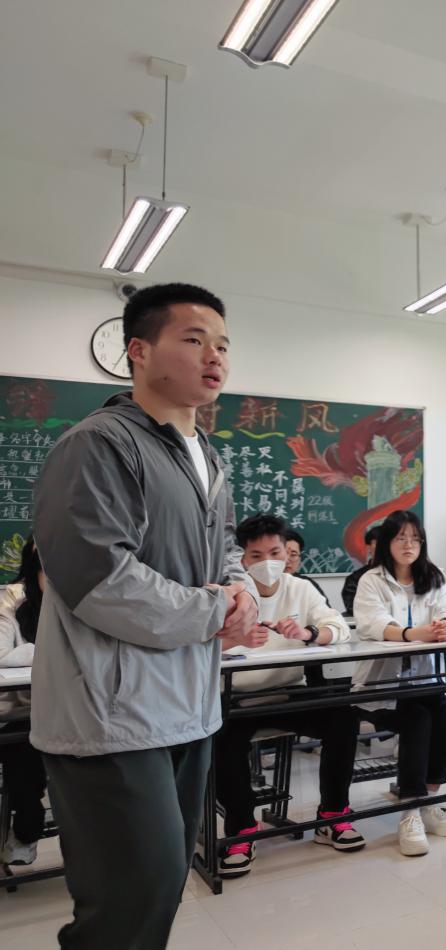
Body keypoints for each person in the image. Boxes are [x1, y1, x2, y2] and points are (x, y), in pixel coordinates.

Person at [31, 282, 258, 949]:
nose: (214, 357)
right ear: (138, 350)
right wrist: (215, 609)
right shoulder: (97, 445)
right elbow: (101, 581)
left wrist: (241, 590)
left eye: (222, 345)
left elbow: (225, 549)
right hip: (110, 713)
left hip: (189, 701)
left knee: (160, 887)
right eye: (193, 339)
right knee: (131, 896)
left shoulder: (206, 455)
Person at [214, 514, 361, 877]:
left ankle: (333, 814)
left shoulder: (300, 589)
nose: (267, 562)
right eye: (256, 555)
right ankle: (242, 829)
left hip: (287, 692)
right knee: (221, 739)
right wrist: (234, 640)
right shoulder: (227, 592)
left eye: (275, 553)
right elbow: (195, 647)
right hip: (236, 696)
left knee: (343, 718)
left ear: (287, 553)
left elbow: (339, 628)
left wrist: (308, 633)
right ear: (240, 558)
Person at [353, 510, 446, 856]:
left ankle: (428, 802)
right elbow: (373, 624)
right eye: (401, 537)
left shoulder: (434, 576)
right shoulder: (371, 580)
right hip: (381, 686)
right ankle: (410, 813)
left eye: (415, 538)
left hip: (424, 679)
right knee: (418, 719)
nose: (409, 545)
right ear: (387, 542)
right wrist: (412, 634)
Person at [0, 538, 47, 866]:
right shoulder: (13, 599)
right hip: (21, 712)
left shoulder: (82, 600)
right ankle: (27, 829)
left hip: (72, 708)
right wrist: (50, 651)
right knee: (25, 748)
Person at [283, 527, 331, 605]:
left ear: (300, 559)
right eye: (283, 554)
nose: (287, 560)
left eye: (293, 555)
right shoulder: (263, 585)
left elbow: (326, 610)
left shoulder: (307, 584)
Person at [342, 525, 381, 614]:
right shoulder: (354, 579)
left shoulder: (402, 575)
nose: (383, 548)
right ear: (368, 548)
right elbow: (354, 609)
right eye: (378, 543)